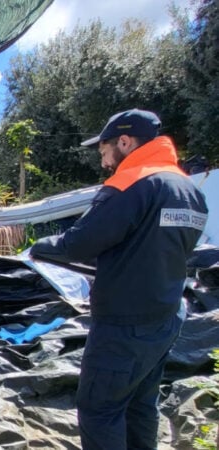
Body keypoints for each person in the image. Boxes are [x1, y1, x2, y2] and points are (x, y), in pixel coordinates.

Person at [29, 109, 208, 450]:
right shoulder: (189, 190)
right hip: (167, 316)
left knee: (100, 410)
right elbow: (156, 245)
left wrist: (40, 246)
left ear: (124, 142)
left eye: (104, 150)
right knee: (141, 404)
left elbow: (81, 242)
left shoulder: (133, 182)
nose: (103, 161)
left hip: (125, 325)